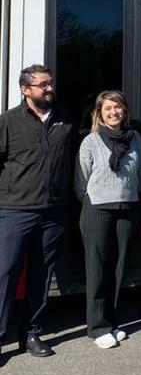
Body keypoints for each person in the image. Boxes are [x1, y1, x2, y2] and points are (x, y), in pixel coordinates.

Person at [0, 64, 75, 357]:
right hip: (15, 211)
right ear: (25, 90)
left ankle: (31, 334)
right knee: (5, 275)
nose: (49, 88)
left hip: (54, 212)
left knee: (42, 276)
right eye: (43, 85)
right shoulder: (8, 122)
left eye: (50, 83)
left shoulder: (65, 119)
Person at [75, 91, 141, 348]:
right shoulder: (91, 141)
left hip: (127, 207)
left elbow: (140, 174)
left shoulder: (135, 138)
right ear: (99, 113)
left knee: (119, 266)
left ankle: (113, 322)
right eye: (108, 109)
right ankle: (97, 327)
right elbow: (81, 181)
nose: (114, 112)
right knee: (97, 267)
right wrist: (95, 198)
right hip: (97, 209)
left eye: (118, 108)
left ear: (125, 111)